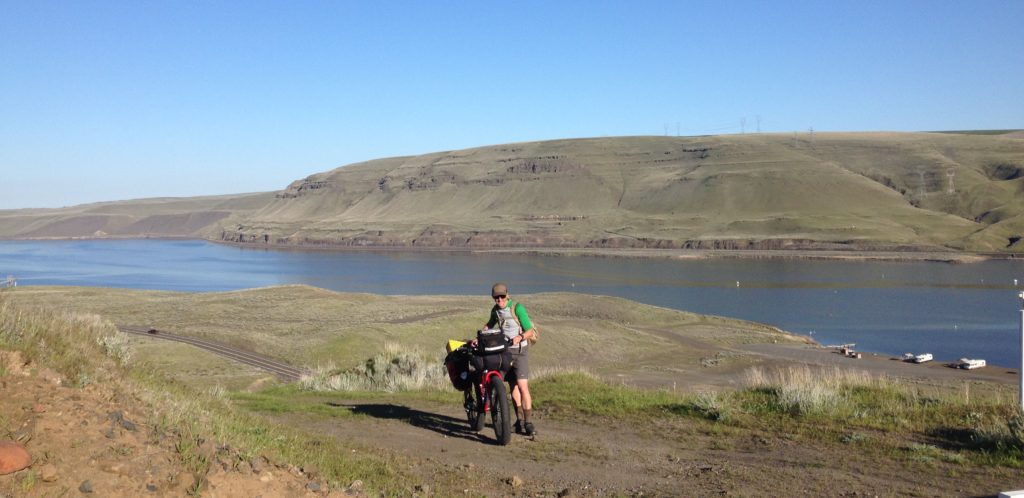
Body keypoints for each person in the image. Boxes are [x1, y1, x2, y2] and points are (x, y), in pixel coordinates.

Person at [484, 282, 537, 436]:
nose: (499, 300)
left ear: (507, 295)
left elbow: (530, 330)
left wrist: (519, 337)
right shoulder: (495, 311)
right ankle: (519, 421)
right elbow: (490, 324)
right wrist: (480, 335)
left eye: (502, 296)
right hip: (506, 353)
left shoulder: (517, 308)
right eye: (496, 298)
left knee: (522, 386)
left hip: (520, 351)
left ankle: (528, 423)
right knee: (512, 387)